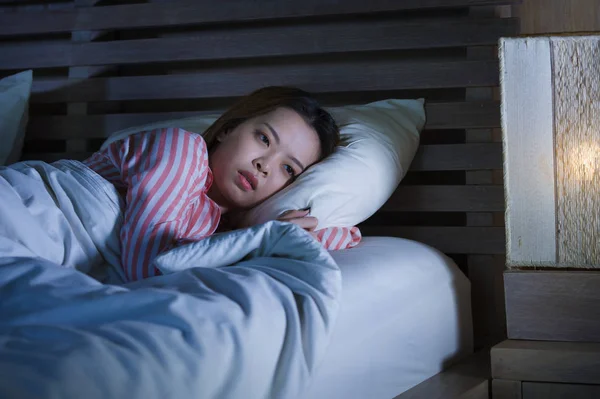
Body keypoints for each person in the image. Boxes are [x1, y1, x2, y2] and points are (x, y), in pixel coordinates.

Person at [84, 86, 361, 282]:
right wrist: (259, 241)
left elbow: (340, 235)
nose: (264, 165)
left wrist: (276, 234)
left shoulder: (221, 229)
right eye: (264, 139)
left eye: (287, 168)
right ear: (230, 128)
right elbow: (147, 271)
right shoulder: (181, 151)